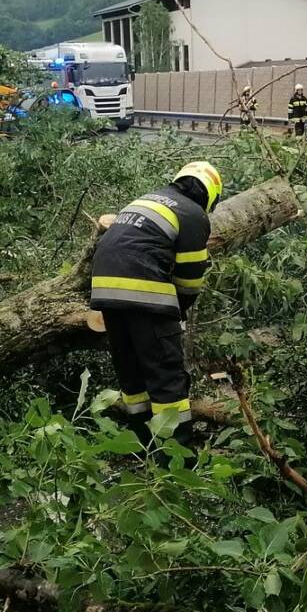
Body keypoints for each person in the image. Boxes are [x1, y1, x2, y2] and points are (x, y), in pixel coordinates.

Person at [90, 161, 223, 444]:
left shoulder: (147, 198)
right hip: (145, 292)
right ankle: (176, 458)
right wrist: (177, 314)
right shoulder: (193, 214)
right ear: (210, 195)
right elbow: (189, 279)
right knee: (166, 378)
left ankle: (140, 444)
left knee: (132, 372)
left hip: (104, 291)